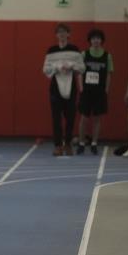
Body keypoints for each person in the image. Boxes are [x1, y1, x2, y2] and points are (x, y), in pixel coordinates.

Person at [43, 23, 84, 156]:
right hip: (55, 86)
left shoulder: (74, 50)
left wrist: (71, 66)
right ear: (56, 35)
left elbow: (82, 67)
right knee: (56, 118)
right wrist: (56, 67)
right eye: (59, 32)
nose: (61, 34)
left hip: (71, 86)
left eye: (64, 32)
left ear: (68, 34)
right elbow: (45, 69)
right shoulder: (51, 50)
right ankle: (58, 145)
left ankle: (68, 144)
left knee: (70, 117)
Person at [77, 29, 113, 155]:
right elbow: (80, 72)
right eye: (93, 38)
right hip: (86, 91)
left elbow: (108, 74)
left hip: (100, 91)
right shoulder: (84, 54)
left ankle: (94, 143)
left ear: (101, 40)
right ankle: (81, 143)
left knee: (97, 118)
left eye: (98, 38)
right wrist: (81, 87)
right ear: (90, 40)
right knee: (84, 118)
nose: (96, 40)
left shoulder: (107, 56)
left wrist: (106, 89)